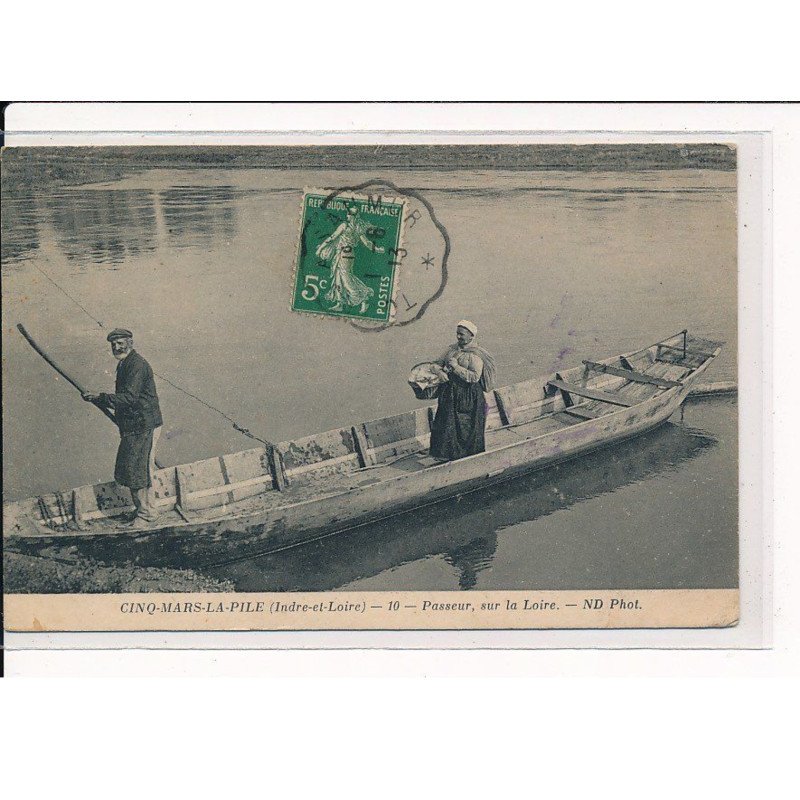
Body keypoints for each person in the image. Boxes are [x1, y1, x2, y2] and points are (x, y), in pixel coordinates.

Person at [82, 328, 163, 528]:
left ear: (131, 343)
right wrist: (102, 399)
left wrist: (100, 397)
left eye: (120, 343)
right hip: (133, 427)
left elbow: (129, 398)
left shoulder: (136, 365)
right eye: (113, 344)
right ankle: (144, 510)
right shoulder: (125, 363)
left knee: (137, 472)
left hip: (144, 426)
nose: (116, 347)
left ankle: (147, 516)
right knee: (132, 470)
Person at [427, 320, 497, 462]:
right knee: (446, 422)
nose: (458, 337)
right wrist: (439, 371)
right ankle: (445, 455)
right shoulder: (452, 349)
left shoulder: (476, 355)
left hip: (469, 395)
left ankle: (467, 457)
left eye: (462, 334)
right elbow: (435, 364)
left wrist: (456, 367)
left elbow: (474, 377)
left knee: (465, 425)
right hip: (450, 393)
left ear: (471, 336)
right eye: (457, 333)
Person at [315, 205, 385, 312]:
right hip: (342, 253)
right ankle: (340, 303)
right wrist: (378, 249)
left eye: (351, 214)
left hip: (346, 254)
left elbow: (366, 242)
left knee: (346, 278)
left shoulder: (352, 227)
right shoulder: (350, 226)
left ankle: (364, 296)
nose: (348, 215)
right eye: (348, 213)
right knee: (338, 277)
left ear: (355, 216)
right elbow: (333, 237)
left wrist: (377, 249)